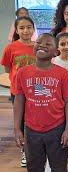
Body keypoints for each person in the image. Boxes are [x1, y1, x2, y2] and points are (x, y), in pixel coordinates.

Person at [13, 33, 68, 172]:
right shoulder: (23, 72)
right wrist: (17, 128)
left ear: (55, 52)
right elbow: (19, 100)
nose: (42, 45)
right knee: (34, 167)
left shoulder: (62, 73)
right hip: (31, 129)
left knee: (59, 167)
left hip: (57, 129)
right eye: (39, 42)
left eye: (48, 44)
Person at [1, 16, 36, 167]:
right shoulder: (11, 48)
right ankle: (25, 151)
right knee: (21, 121)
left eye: (29, 27)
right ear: (16, 30)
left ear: (33, 29)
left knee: (34, 120)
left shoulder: (37, 46)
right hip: (18, 91)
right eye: (21, 28)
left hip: (35, 91)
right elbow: (8, 68)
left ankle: (37, 149)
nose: (26, 30)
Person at [51, 32, 68, 163]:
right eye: (62, 44)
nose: (66, 46)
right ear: (57, 46)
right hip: (56, 98)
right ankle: (56, 146)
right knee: (57, 123)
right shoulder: (53, 61)